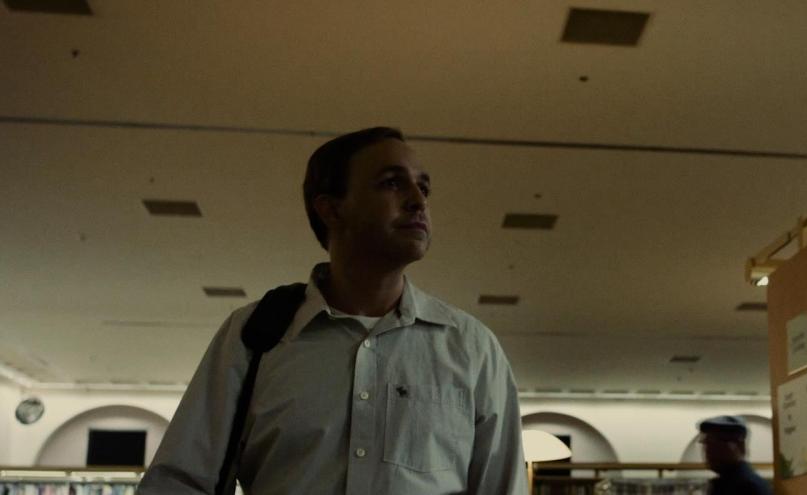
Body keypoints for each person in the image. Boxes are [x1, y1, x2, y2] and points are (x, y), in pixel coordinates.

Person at [139, 127, 527, 494]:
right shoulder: (256, 334)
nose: (418, 200)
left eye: (423, 187)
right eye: (392, 183)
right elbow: (178, 482)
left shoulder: (471, 347)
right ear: (331, 209)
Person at [699, 415, 771, 495]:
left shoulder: (747, 487)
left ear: (740, 445)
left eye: (715, 443)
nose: (707, 450)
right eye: (706, 443)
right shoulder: (726, 483)